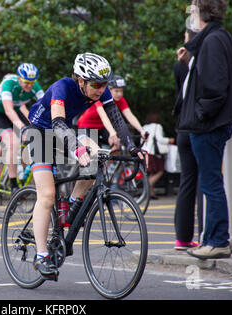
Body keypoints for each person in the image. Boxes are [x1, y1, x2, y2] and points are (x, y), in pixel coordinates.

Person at [25, 53, 144, 278]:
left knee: (96, 160)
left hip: (65, 130)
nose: (101, 89)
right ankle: (41, 256)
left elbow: (117, 119)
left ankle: (72, 205)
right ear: (80, 80)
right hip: (40, 131)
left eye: (104, 84)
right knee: (48, 195)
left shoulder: (101, 90)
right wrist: (77, 149)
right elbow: (57, 122)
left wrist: (132, 147)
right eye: (96, 85)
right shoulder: (62, 87)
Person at [174, 0, 232, 259]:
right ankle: (213, 239)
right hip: (210, 124)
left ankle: (217, 240)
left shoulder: (212, 41)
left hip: (207, 126)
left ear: (201, 11)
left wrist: (201, 113)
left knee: (211, 185)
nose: (189, 13)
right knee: (211, 184)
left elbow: (214, 86)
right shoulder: (219, 38)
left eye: (191, 9)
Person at [0, 63, 45, 193]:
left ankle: (23, 173)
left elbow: (46, 106)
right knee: (13, 142)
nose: (30, 85)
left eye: (32, 82)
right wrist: (23, 127)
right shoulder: (9, 84)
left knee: (33, 136)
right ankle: (13, 183)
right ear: (19, 78)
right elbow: (8, 110)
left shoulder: (34, 86)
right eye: (26, 82)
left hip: (15, 111)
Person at [173, 28, 201, 250]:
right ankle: (207, 236)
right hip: (198, 126)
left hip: (182, 125)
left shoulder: (179, 63)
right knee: (207, 183)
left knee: (187, 182)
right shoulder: (200, 61)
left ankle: (182, 238)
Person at [77, 75, 147, 145]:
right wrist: (112, 132)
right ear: (108, 90)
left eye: (121, 91)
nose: (119, 94)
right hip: (88, 126)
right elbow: (103, 116)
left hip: (102, 127)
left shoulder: (120, 100)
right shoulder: (99, 97)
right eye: (116, 91)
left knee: (118, 143)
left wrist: (142, 130)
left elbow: (129, 115)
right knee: (94, 152)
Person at [141, 111, 175, 200]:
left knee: (152, 172)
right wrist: (169, 140)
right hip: (153, 152)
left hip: (145, 152)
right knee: (160, 170)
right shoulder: (157, 126)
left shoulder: (144, 127)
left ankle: (151, 193)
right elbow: (160, 139)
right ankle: (148, 185)